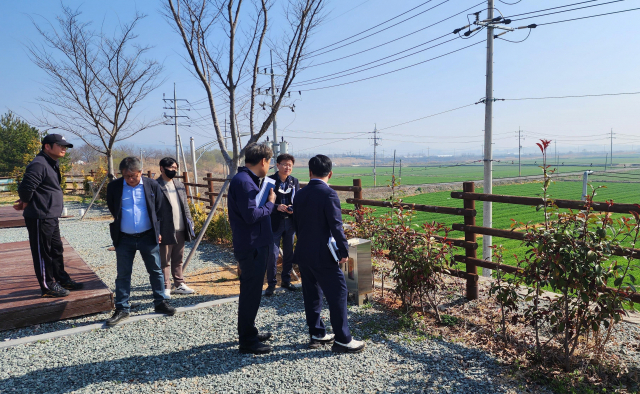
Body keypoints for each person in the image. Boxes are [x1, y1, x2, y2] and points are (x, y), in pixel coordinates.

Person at [292, 154, 365, 353]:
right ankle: (342, 339)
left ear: (310, 172)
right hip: (323, 254)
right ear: (330, 173)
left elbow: (296, 224)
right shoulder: (329, 194)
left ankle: (317, 332)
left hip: (303, 252)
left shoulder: (299, 194)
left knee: (312, 294)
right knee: (339, 292)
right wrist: (343, 251)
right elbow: (336, 226)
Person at [105, 157, 175, 326]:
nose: (130, 179)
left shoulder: (151, 185)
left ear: (140, 172)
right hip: (124, 238)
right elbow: (112, 207)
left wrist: (158, 231)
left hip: (147, 236)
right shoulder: (114, 187)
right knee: (123, 275)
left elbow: (159, 209)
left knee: (156, 270)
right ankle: (122, 308)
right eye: (126, 176)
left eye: (133, 176)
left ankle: (160, 302)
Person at [14, 134, 83, 298]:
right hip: (39, 216)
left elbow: (40, 188)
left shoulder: (51, 163)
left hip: (50, 215)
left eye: (65, 146)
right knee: (43, 251)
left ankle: (61, 279)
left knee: (56, 250)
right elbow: (25, 188)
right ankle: (48, 286)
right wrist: (25, 201)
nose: (64, 149)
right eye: (60, 145)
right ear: (47, 146)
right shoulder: (39, 164)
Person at [228, 143, 276, 354]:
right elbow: (251, 215)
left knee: (252, 292)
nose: (270, 165)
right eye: (271, 161)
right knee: (250, 293)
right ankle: (247, 341)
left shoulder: (245, 179)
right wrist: (271, 203)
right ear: (263, 161)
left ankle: (249, 331)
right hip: (252, 246)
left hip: (253, 243)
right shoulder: (246, 183)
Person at [156, 157, 196, 298]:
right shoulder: (156, 186)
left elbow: (185, 206)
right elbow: (153, 210)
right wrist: (156, 230)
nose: (173, 170)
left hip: (181, 227)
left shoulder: (179, 184)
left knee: (178, 258)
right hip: (165, 228)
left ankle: (179, 284)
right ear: (162, 168)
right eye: (171, 168)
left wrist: (189, 222)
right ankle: (165, 286)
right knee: (164, 260)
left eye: (175, 168)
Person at [265, 153, 300, 296]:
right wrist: (276, 206)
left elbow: (297, 200)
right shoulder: (269, 181)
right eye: (284, 164)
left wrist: (293, 208)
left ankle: (286, 280)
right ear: (277, 165)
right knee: (273, 254)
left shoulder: (294, 181)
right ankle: (271, 284)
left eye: (290, 165)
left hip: (290, 222)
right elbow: (263, 202)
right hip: (274, 222)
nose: (287, 167)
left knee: (288, 253)